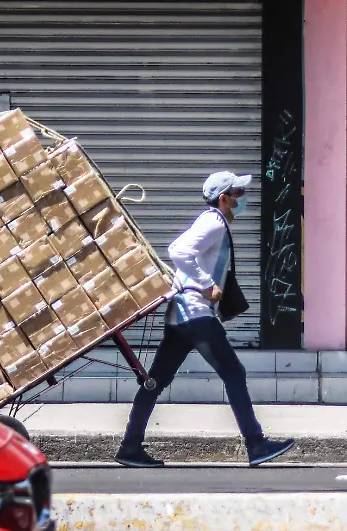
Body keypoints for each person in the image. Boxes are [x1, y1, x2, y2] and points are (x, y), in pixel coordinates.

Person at [115, 171, 295, 468]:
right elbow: (178, 250)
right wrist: (206, 284)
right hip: (196, 315)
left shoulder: (213, 221)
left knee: (155, 382)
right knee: (234, 373)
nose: (242, 199)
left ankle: (130, 446)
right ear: (224, 199)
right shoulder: (213, 222)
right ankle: (256, 444)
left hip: (182, 316)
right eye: (238, 194)